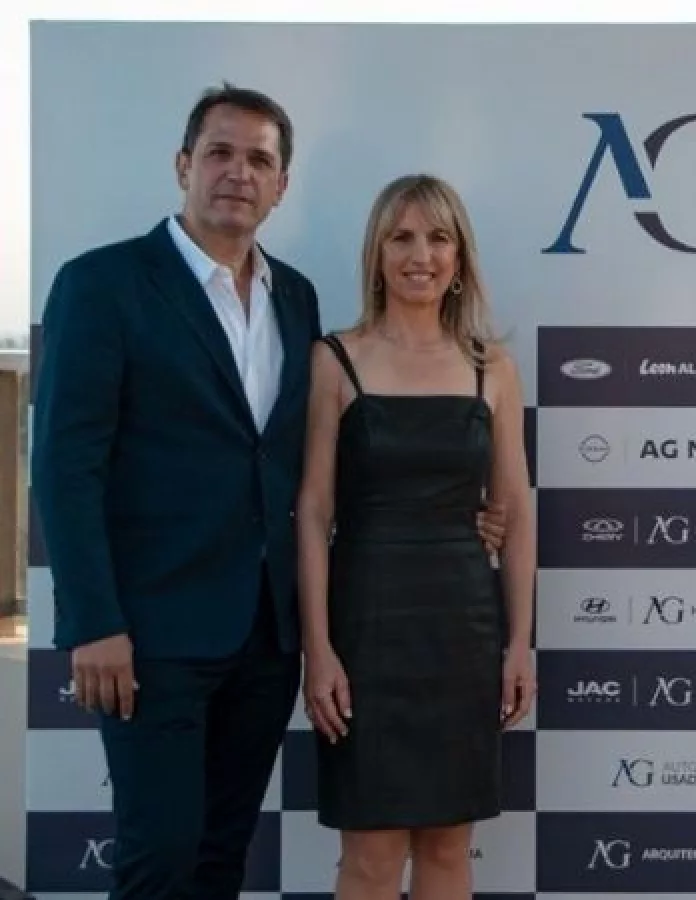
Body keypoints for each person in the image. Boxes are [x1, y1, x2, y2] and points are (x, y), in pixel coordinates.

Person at [29, 84, 505, 900]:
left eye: (259, 160)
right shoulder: (102, 284)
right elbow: (65, 467)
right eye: (219, 153)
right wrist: (93, 621)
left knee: (222, 857)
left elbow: (304, 467)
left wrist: (454, 515)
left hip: (265, 638)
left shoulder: (296, 298)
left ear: (281, 185)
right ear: (183, 165)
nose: (238, 173)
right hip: (150, 635)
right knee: (158, 860)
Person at [295, 172, 535, 900]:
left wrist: (518, 644)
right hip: (366, 628)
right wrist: (317, 650)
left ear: (459, 258)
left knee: (447, 848)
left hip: (463, 629)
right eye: (400, 237)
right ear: (377, 254)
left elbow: (516, 511)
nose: (419, 255)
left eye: (437, 238)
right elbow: (313, 510)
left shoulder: (492, 367)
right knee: (369, 855)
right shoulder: (335, 358)